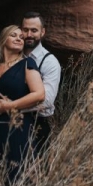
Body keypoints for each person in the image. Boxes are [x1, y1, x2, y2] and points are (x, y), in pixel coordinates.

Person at [0, 24, 45, 184]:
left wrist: (8, 106)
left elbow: (39, 94)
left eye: (21, 37)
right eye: (14, 35)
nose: (19, 38)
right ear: (3, 39)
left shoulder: (27, 65)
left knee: (15, 178)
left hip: (16, 129)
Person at [21, 11, 61, 151]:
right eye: (25, 30)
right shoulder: (12, 55)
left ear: (42, 32)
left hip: (37, 124)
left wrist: (10, 107)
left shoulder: (49, 62)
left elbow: (47, 101)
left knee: (34, 169)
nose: (29, 34)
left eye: (34, 30)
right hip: (9, 122)